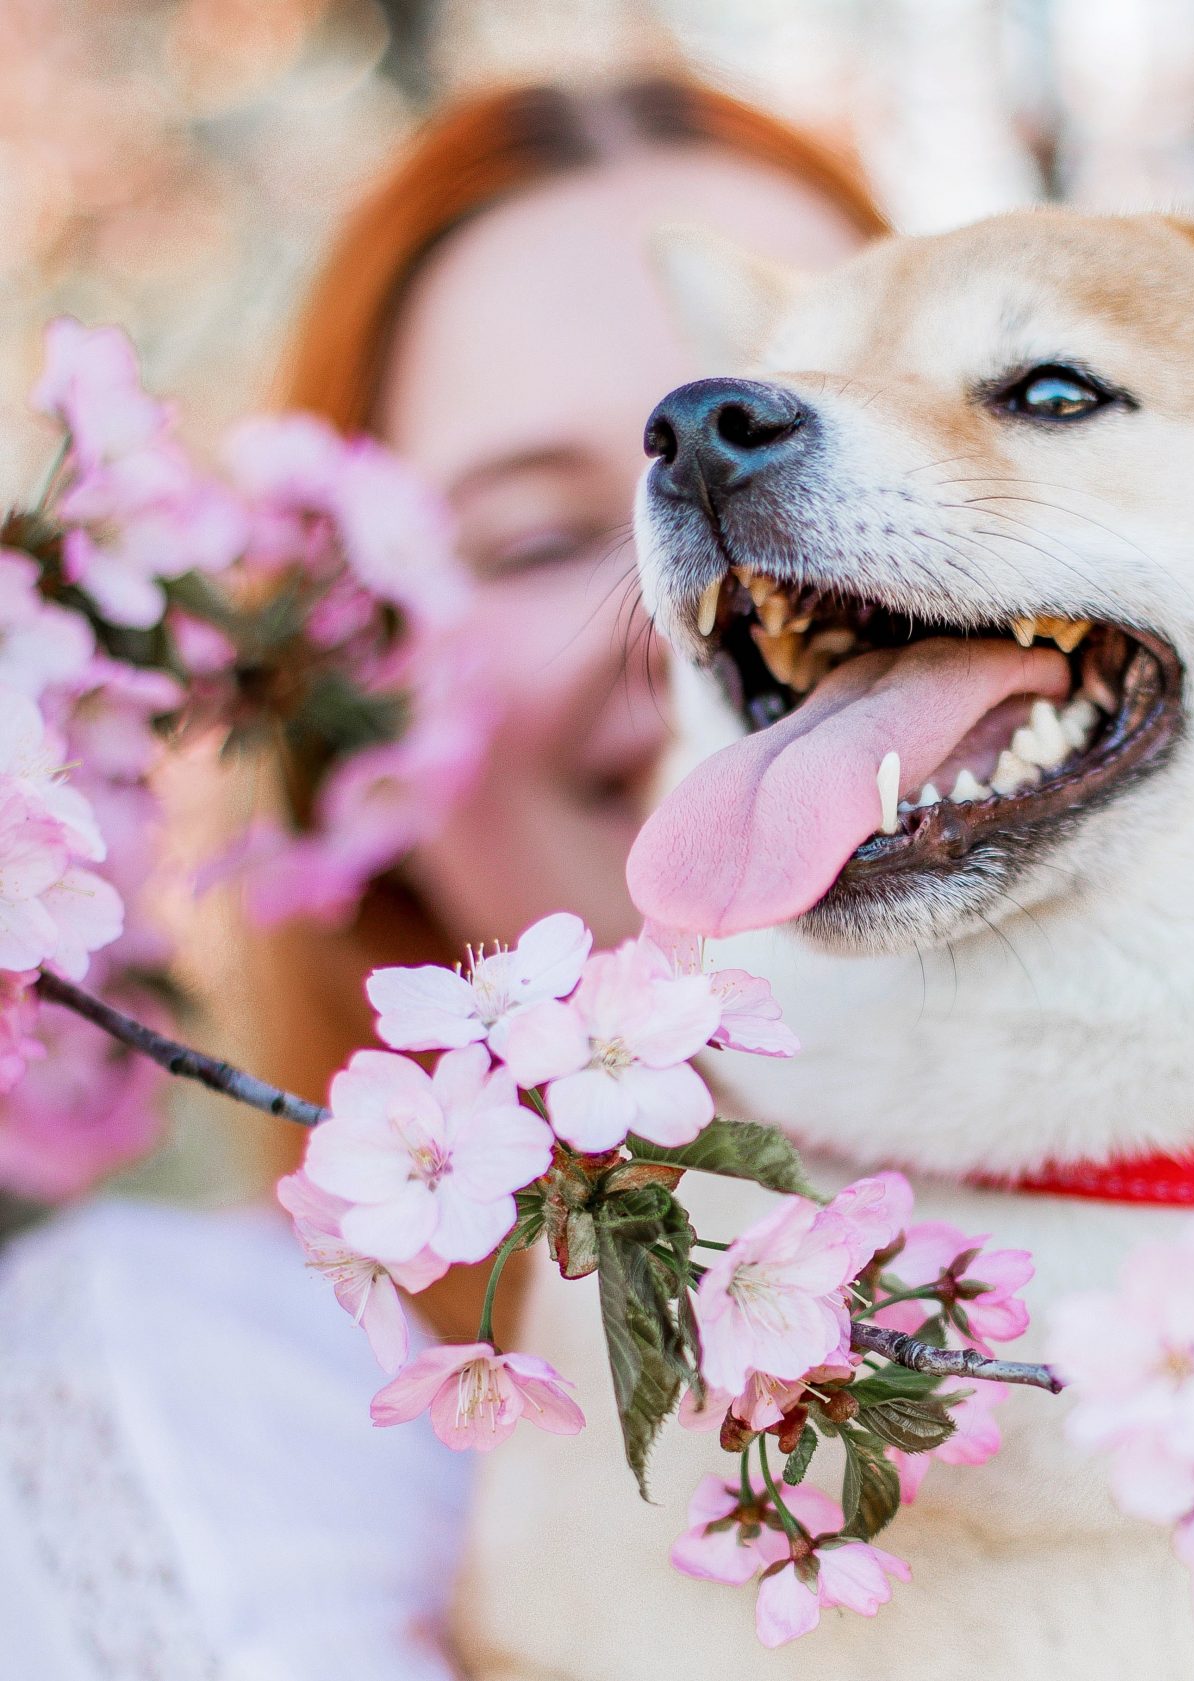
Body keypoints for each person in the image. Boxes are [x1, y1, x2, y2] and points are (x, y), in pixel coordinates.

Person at [0, 67, 884, 1681]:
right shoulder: (168, 1425)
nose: (719, 612)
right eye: (543, 538)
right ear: (334, 707)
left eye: (822, 453)